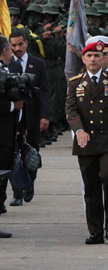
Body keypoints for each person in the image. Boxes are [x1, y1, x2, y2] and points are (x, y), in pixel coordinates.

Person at [65, 40, 108, 244]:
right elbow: (70, 110)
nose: (93, 59)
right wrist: (79, 130)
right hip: (86, 141)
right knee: (91, 186)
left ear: (104, 58)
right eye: (89, 56)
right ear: (83, 59)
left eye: (97, 56)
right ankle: (95, 230)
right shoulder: (75, 82)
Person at [7, 30, 49, 205]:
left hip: (32, 117)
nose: (17, 48)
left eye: (20, 44)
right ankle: (18, 193)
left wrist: (45, 116)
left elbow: (45, 92)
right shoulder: (6, 65)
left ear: (26, 43)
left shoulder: (38, 64)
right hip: (12, 119)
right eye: (13, 45)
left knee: (31, 154)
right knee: (12, 156)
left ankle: (29, 182)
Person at [0, 36, 24, 239]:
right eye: (9, 49)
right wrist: (11, 106)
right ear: (5, 51)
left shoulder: (5, 70)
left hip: (7, 132)